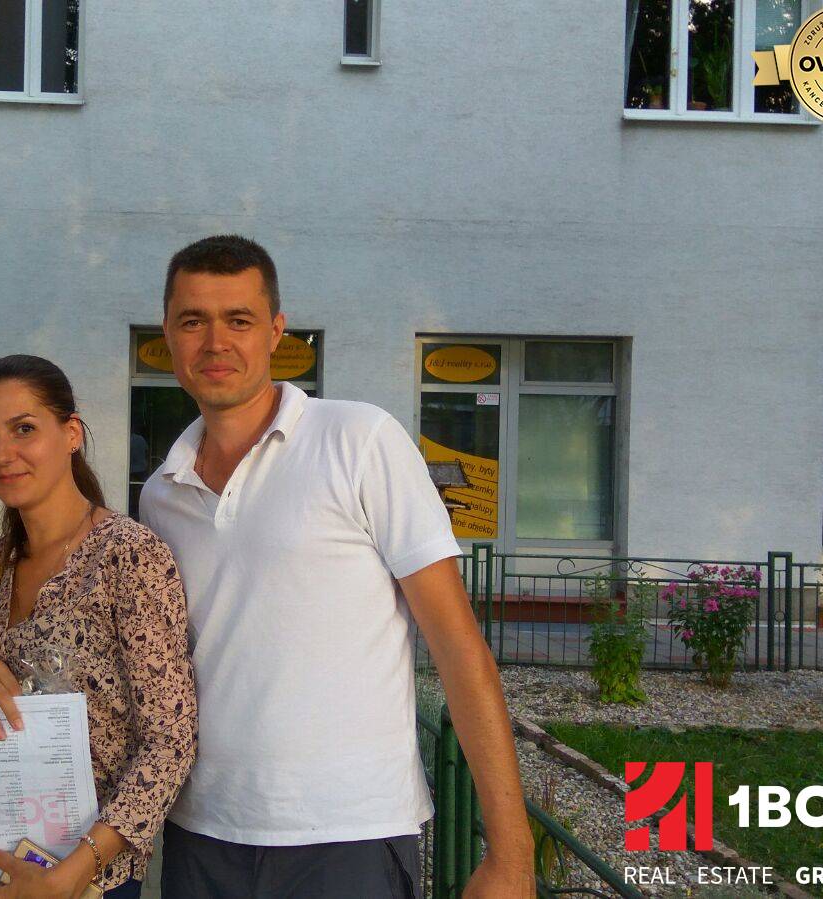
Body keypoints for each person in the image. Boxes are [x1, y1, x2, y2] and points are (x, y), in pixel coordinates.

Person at [139, 235, 535, 898]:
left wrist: (511, 854)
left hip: (348, 833)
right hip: (202, 832)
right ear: (168, 336)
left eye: (238, 319)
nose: (215, 342)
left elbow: (457, 646)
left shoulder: (359, 440)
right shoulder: (162, 493)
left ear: (275, 331)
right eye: (192, 321)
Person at [0, 354, 197, 899]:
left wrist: (76, 871)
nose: (2, 454)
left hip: (75, 878)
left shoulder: (127, 555)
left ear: (71, 433)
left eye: (24, 429)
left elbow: (170, 740)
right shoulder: (6, 557)